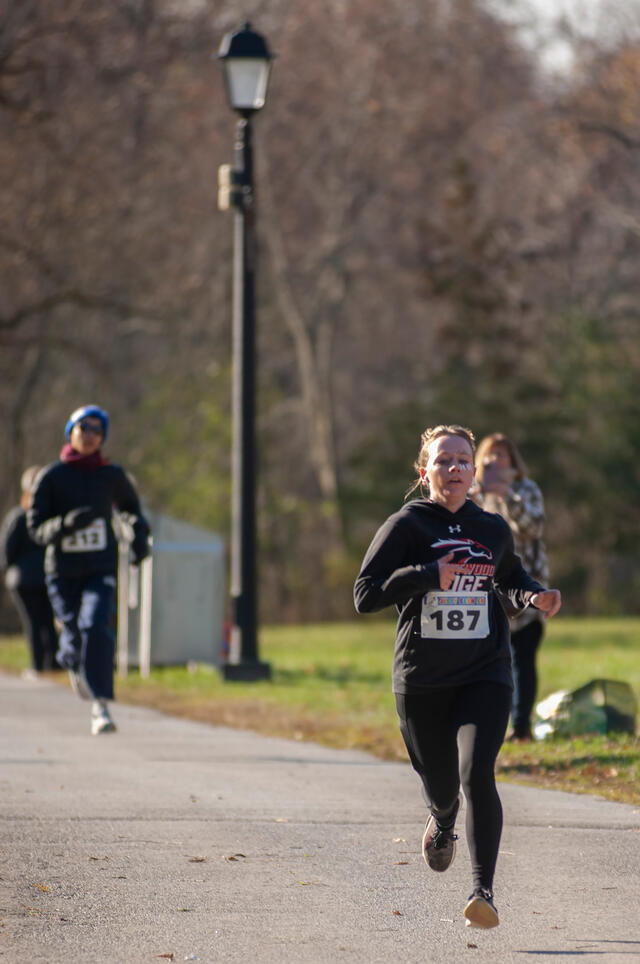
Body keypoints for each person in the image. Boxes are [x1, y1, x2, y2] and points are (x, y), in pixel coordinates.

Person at [353, 424, 561, 929]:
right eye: (443, 461)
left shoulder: (491, 527)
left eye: (463, 461)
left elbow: (509, 577)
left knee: (477, 774)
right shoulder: (407, 525)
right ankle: (442, 818)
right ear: (425, 472)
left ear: (473, 472)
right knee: (445, 788)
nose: (454, 469)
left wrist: (534, 595)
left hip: (484, 672)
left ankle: (482, 892)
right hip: (423, 679)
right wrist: (427, 575)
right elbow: (365, 594)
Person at [28, 405, 151, 735]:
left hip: (100, 567)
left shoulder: (111, 476)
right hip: (62, 571)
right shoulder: (52, 477)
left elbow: (132, 511)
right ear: (71, 432)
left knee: (96, 625)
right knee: (74, 635)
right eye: (84, 428)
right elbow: (35, 529)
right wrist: (65, 525)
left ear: (103, 437)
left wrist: (139, 536)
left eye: (98, 430)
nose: (90, 435)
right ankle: (72, 656)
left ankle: (100, 706)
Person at [471, 433, 549, 742]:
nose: (495, 461)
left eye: (501, 455)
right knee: (489, 661)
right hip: (487, 589)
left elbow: (534, 528)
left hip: (528, 584)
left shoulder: (526, 489)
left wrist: (507, 497)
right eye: (489, 457)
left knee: (524, 657)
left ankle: (521, 727)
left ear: (514, 461)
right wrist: (483, 495)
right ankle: (489, 727)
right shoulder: (473, 494)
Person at [0, 466, 59, 675]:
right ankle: (51, 663)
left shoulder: (18, 516)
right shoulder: (49, 516)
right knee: (46, 621)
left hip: (24, 579)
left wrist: (8, 569)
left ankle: (38, 665)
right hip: (44, 576)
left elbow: (7, 550)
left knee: (34, 622)